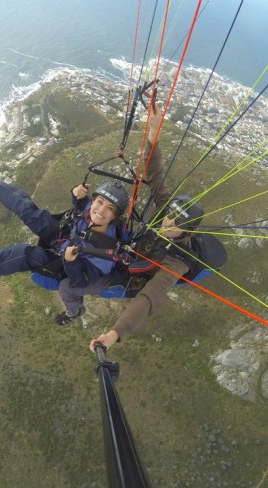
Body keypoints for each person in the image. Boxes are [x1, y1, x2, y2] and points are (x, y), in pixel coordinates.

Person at [89, 96, 224, 352]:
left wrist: (114, 334)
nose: (168, 221)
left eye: (177, 222)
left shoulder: (178, 260)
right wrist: (153, 130)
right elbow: (155, 173)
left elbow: (151, 297)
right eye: (170, 214)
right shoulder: (166, 208)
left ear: (187, 231)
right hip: (139, 247)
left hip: (143, 268)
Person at [0, 173, 129, 324]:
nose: (100, 210)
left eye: (109, 208)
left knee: (23, 254)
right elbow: (83, 205)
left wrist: (69, 261)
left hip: (66, 265)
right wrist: (76, 193)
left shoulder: (105, 251)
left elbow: (78, 283)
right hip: (64, 237)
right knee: (27, 210)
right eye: (99, 202)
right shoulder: (90, 209)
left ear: (114, 217)